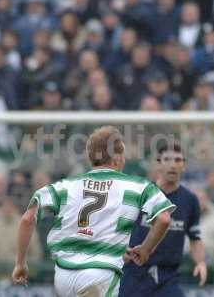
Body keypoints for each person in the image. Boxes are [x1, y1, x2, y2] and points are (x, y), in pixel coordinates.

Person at [12, 126, 177, 296]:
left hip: (63, 275)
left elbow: (27, 218)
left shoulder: (66, 186)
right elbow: (164, 219)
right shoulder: (137, 186)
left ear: (91, 158)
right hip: (100, 274)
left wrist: (20, 263)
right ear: (117, 158)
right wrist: (145, 249)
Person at [119, 143, 207, 297]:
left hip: (168, 277)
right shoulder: (140, 194)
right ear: (158, 164)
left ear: (184, 165)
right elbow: (118, 229)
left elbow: (195, 237)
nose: (172, 165)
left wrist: (200, 262)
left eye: (178, 160)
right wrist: (120, 251)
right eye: (167, 159)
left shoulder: (190, 200)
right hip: (135, 273)